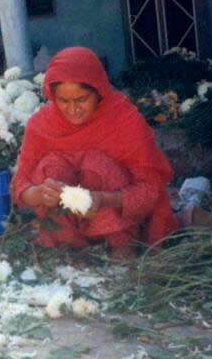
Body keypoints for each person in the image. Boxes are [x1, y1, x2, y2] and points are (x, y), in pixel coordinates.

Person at [11, 46, 179, 259]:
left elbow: (149, 190)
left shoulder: (124, 119)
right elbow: (20, 184)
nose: (73, 109)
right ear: (53, 96)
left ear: (99, 92)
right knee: (50, 165)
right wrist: (39, 193)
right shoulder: (41, 125)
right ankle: (68, 247)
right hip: (67, 228)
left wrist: (102, 199)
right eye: (64, 101)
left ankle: (121, 245)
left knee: (95, 162)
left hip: (121, 225)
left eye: (81, 99)